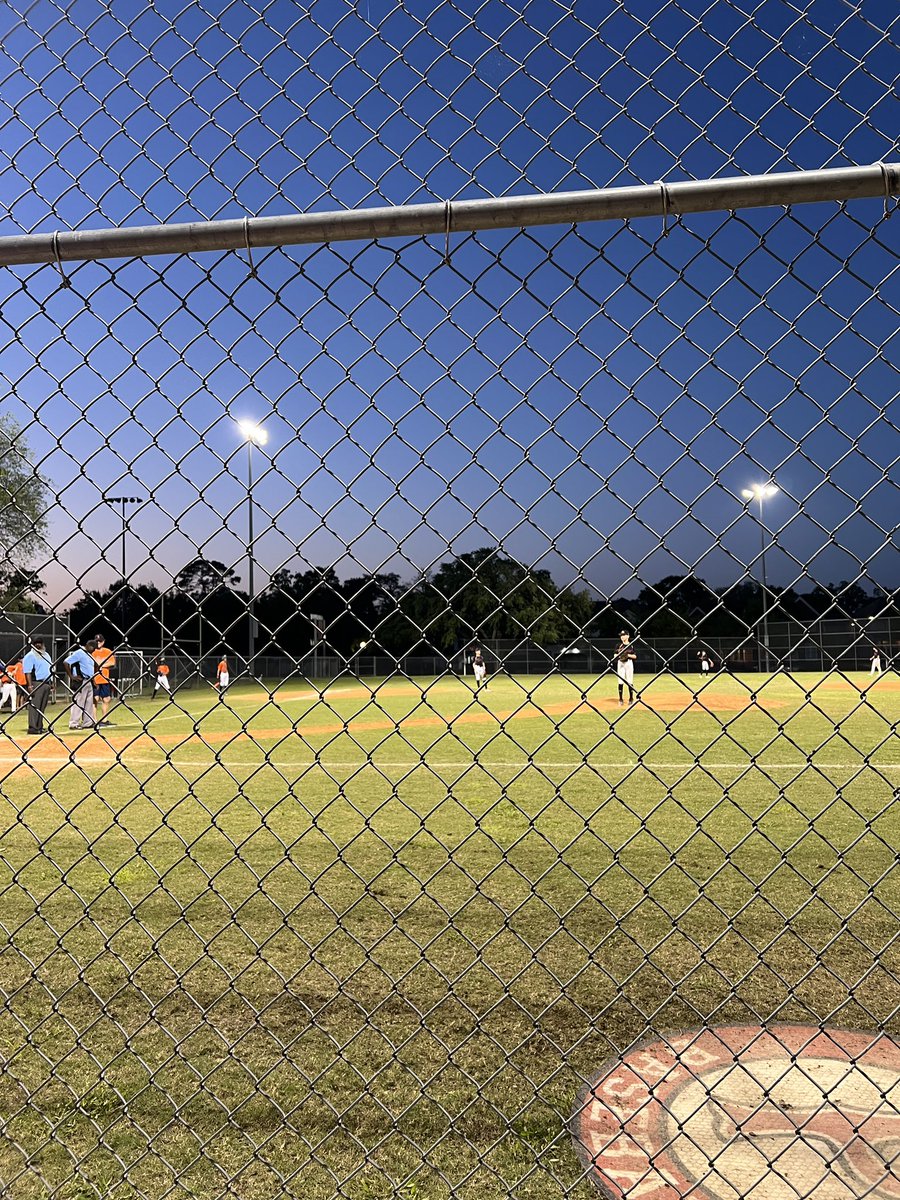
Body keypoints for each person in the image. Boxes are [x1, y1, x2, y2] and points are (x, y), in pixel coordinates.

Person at [64, 638, 98, 730]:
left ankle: (88, 722)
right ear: (89, 646)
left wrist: (94, 681)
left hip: (89, 680)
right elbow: (66, 662)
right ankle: (74, 723)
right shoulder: (79, 653)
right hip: (81, 681)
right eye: (94, 648)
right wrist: (71, 676)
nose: (94, 650)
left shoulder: (89, 655)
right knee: (78, 702)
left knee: (89, 703)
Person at [22, 639, 54, 735]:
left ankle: (39, 726)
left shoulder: (46, 655)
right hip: (36, 683)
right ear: (32, 645)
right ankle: (33, 727)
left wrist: (52, 682)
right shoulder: (30, 656)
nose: (38, 645)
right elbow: (27, 672)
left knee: (42, 706)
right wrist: (30, 685)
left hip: (47, 683)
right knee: (35, 706)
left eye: (40, 643)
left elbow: (50, 669)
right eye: (36, 644)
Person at [92, 633, 117, 726]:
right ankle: (94, 720)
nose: (98, 643)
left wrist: (101, 664)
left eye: (100, 641)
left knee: (106, 699)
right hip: (95, 679)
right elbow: (92, 664)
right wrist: (102, 663)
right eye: (96, 641)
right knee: (95, 699)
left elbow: (112, 662)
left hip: (105, 679)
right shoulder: (92, 651)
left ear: (103, 642)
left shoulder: (107, 651)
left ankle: (104, 719)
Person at [615, 630, 637, 706]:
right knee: (620, 681)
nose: (622, 637)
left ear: (628, 636)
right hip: (620, 663)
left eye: (624, 635)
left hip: (628, 663)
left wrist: (627, 655)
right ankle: (620, 699)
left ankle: (631, 698)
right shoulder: (618, 645)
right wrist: (620, 655)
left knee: (630, 681)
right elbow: (615, 655)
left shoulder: (631, 645)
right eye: (621, 635)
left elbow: (635, 656)